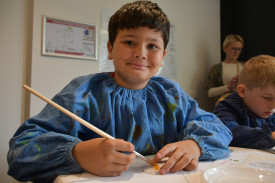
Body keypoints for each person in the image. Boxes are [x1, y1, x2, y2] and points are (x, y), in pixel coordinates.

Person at [7, 1, 232, 182]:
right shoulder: (83, 93)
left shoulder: (171, 94)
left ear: (163, 56)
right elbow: (20, 150)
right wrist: (78, 153)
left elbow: (218, 128)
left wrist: (194, 145)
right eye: (130, 42)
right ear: (110, 49)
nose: (141, 53)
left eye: (152, 46)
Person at [213, 55, 275, 149]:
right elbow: (227, 132)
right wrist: (271, 136)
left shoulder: (269, 110)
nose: (273, 106)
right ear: (243, 91)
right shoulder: (227, 108)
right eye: (267, 98)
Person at [207, 34, 244, 105]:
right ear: (225, 48)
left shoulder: (244, 67)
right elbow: (210, 93)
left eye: (239, 49)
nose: (236, 52)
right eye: (233, 48)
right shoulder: (216, 69)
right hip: (224, 105)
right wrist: (228, 87)